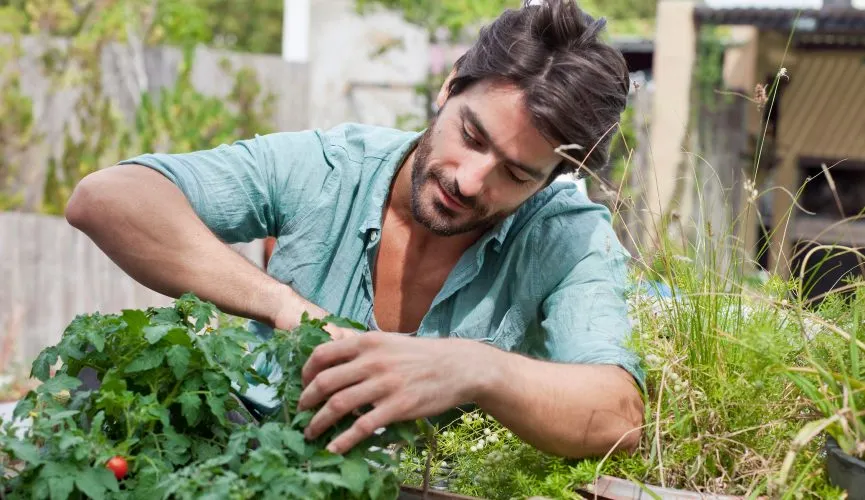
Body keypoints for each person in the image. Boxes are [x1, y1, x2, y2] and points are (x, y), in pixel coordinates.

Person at [65, 0, 645, 459]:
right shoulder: (330, 168)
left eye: (516, 174)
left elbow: (618, 415)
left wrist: (478, 370)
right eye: (471, 136)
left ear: (548, 183)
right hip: (252, 463)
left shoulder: (566, 237)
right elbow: (107, 197)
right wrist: (286, 307)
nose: (470, 181)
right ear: (449, 88)